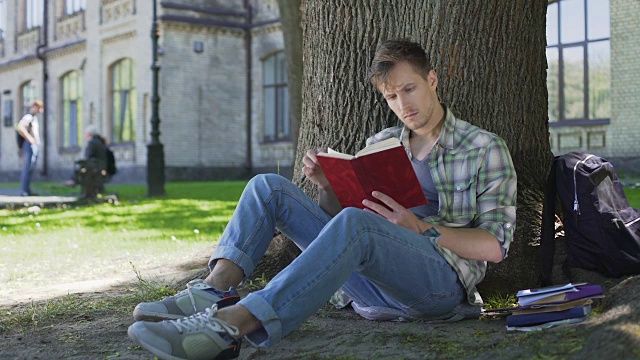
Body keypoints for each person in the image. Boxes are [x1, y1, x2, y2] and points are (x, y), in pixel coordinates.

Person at [127, 39, 517, 360]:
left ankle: (230, 325)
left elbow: (494, 247)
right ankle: (213, 291)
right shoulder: (380, 145)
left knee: (358, 225)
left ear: (432, 79)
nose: (403, 105)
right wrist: (327, 186)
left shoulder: (483, 148)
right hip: (370, 285)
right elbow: (342, 226)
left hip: (436, 288)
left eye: (410, 89)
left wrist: (420, 227)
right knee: (269, 186)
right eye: (391, 97)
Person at [17, 100, 44, 196]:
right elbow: (20, 127)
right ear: (35, 107)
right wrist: (30, 139)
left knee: (31, 168)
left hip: (34, 145)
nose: (41, 110)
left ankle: (27, 190)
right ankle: (24, 190)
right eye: (40, 108)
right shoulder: (29, 117)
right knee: (27, 167)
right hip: (29, 145)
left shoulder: (34, 118)